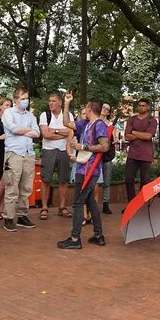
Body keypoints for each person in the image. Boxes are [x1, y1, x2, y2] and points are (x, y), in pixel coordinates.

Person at [60, 92, 109, 249]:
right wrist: (66, 103)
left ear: (90, 109)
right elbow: (66, 122)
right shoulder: (86, 124)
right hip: (84, 168)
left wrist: (83, 147)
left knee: (77, 203)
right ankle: (98, 236)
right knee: (90, 202)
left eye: (86, 107)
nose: (84, 110)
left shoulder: (99, 124)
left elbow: (104, 146)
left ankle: (75, 239)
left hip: (88, 170)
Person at [1, 87, 40, 232]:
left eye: (26, 98)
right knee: (12, 186)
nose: (25, 101)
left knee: (26, 186)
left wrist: (22, 130)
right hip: (14, 153)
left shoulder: (31, 116)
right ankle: (8, 217)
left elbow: (37, 133)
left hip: (28, 153)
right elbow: (14, 129)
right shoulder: (8, 113)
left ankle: (22, 215)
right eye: (22, 98)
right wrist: (28, 130)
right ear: (16, 99)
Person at [38, 93, 74, 220]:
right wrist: (63, 133)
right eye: (49, 101)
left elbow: (71, 132)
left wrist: (55, 130)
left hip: (64, 150)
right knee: (46, 179)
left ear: (60, 103)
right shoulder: (45, 115)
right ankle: (44, 207)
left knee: (63, 179)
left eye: (53, 101)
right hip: (49, 150)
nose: (50, 103)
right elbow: (46, 134)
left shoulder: (68, 115)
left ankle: (62, 206)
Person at [123, 98, 157, 206]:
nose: (141, 107)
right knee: (128, 179)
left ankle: (141, 204)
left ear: (148, 107)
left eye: (143, 105)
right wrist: (141, 134)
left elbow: (148, 136)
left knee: (145, 181)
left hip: (146, 155)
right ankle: (132, 204)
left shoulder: (152, 120)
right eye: (139, 105)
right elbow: (127, 136)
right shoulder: (132, 119)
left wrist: (133, 132)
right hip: (132, 154)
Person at [96, 102, 117, 215]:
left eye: (107, 109)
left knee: (106, 181)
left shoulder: (110, 125)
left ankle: (105, 203)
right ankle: (92, 204)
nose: (104, 109)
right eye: (103, 107)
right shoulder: (94, 122)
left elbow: (113, 140)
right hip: (95, 154)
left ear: (109, 113)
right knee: (94, 182)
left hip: (106, 156)